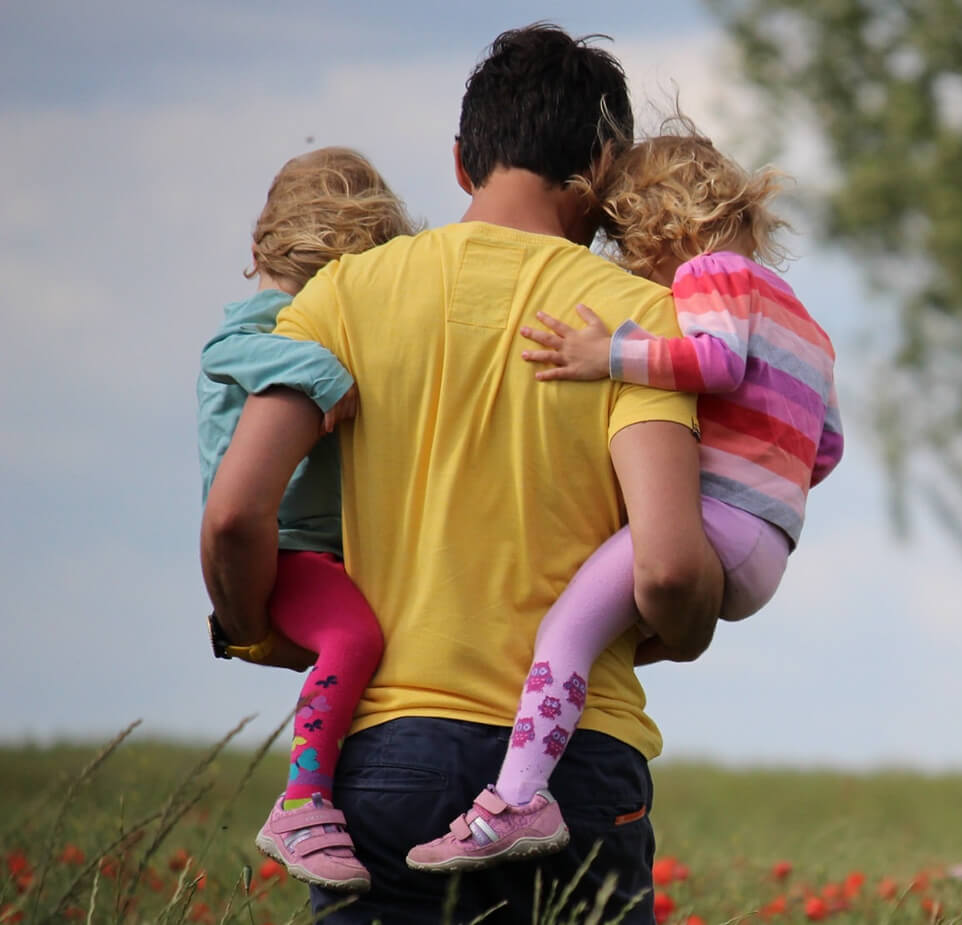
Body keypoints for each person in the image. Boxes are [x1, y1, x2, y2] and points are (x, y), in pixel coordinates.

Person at [201, 23, 723, 924]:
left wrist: (255, 628)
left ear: (459, 162)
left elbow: (233, 516)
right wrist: (687, 625)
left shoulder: (340, 296)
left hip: (387, 759)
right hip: (576, 765)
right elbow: (671, 568)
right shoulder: (640, 323)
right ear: (604, 169)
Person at [407, 125, 843, 872]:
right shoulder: (806, 322)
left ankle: (517, 799)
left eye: (631, 246)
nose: (637, 269)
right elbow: (826, 448)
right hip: (769, 545)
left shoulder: (710, 273)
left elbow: (715, 362)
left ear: (663, 227)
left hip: (716, 522)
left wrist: (607, 353)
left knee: (564, 632)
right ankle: (543, 758)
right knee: (605, 633)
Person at [198, 146, 414, 892]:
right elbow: (226, 350)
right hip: (286, 548)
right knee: (355, 638)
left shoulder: (297, 317)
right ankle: (302, 800)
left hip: (319, 549)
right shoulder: (266, 324)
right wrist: (323, 371)